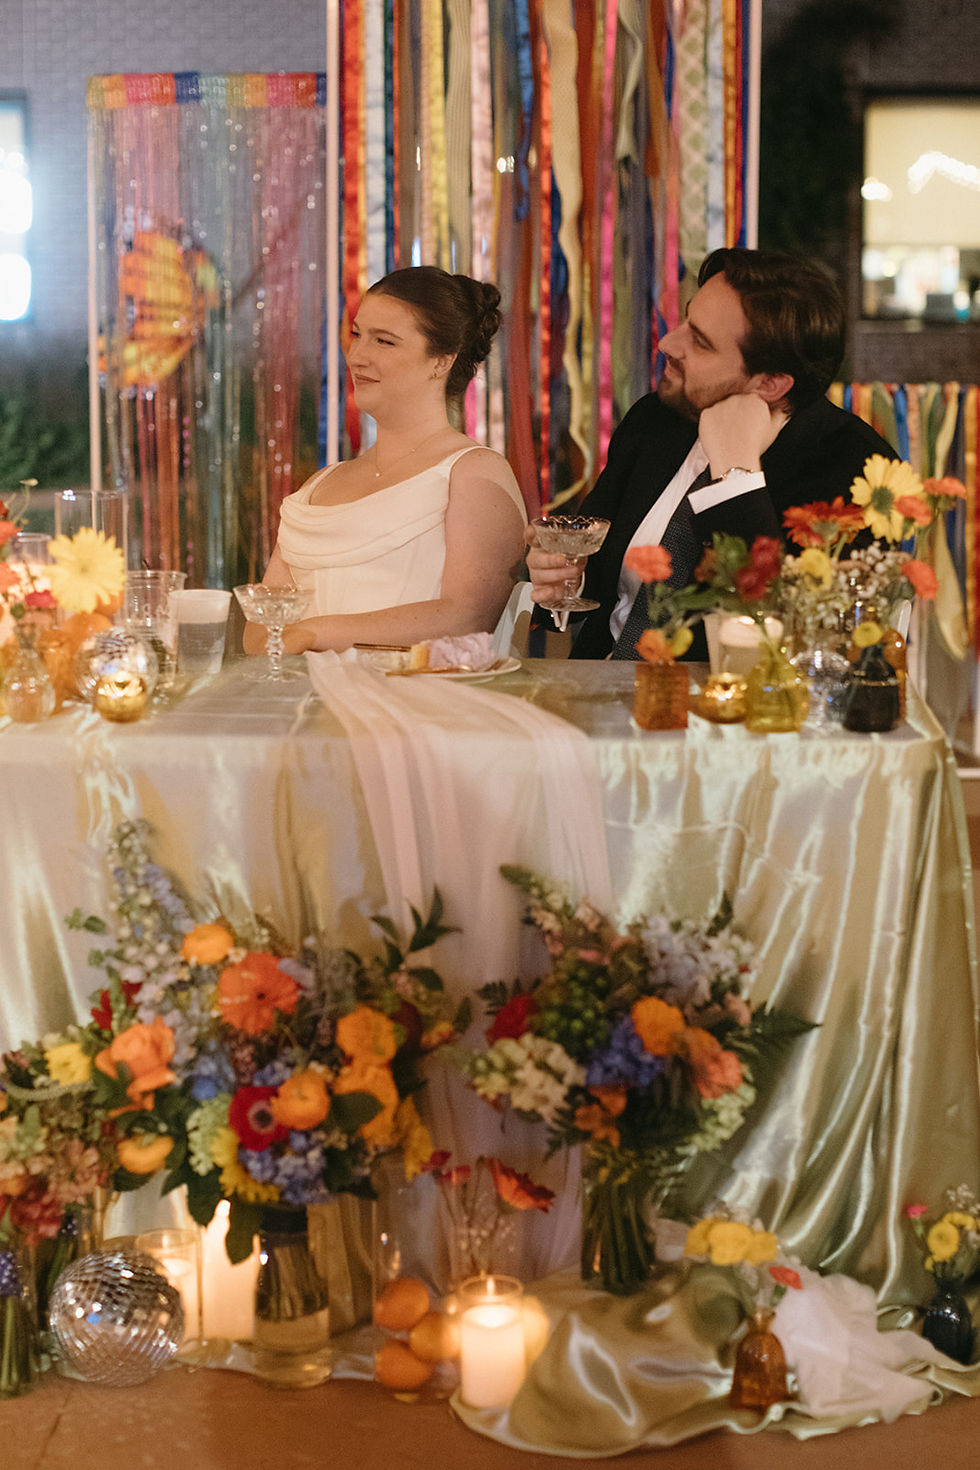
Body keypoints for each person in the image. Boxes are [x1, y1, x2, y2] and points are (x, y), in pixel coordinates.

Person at [526, 247, 897, 660]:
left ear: (770, 384)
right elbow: (594, 573)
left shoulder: (857, 471)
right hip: (601, 687)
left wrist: (736, 476)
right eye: (687, 319)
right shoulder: (656, 419)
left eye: (700, 342)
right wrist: (564, 579)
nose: (667, 342)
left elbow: (784, 635)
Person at [244, 266, 527, 656]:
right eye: (357, 335)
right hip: (303, 690)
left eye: (384, 341)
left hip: (423, 691)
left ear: (441, 361)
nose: (357, 356)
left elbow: (467, 616)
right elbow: (261, 628)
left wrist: (315, 633)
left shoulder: (472, 471)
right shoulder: (320, 485)